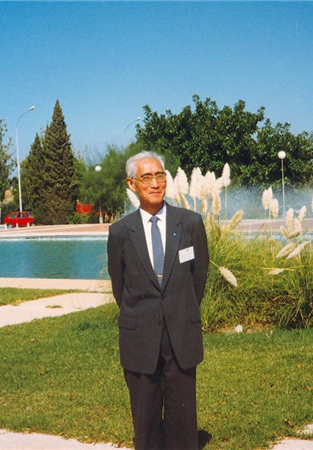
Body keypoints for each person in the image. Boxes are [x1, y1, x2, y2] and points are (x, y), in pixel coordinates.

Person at [107, 151, 209, 450]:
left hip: (181, 332)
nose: (155, 183)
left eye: (160, 175)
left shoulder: (190, 223)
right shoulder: (120, 232)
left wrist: (180, 310)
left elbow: (198, 277)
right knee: (145, 417)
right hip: (139, 335)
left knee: (182, 416)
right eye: (147, 177)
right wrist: (144, 313)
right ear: (132, 184)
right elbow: (119, 286)